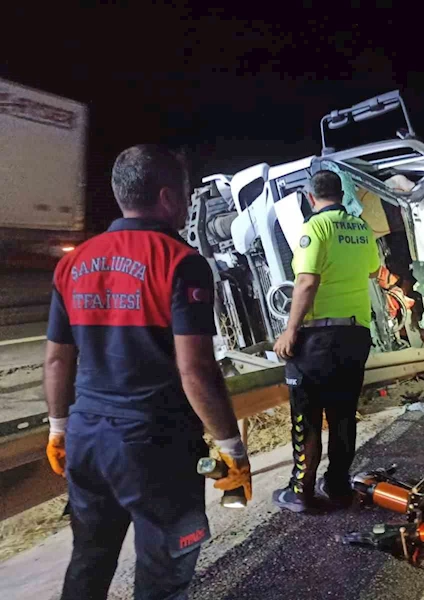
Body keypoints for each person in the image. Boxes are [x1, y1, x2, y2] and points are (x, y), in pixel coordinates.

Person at [44, 145, 251, 600]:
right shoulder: (181, 261)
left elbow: (58, 359)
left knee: (89, 560)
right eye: (184, 192)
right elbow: (195, 370)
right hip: (156, 449)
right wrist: (231, 446)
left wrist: (59, 429)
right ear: (167, 197)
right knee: (163, 575)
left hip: (87, 441)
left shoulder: (73, 263)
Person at [272, 170, 379, 513]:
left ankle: (301, 491)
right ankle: (337, 485)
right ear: (341, 193)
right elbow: (373, 270)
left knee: (308, 416)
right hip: (356, 335)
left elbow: (306, 281)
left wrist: (291, 329)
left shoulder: (315, 227)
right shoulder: (361, 228)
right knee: (344, 414)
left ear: (309, 197)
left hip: (318, 338)